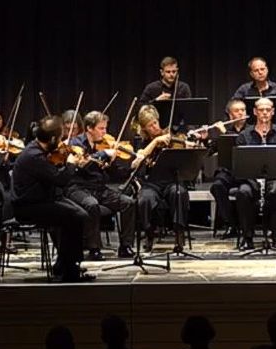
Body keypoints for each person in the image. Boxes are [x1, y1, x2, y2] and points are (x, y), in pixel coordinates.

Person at [9, 115, 93, 282]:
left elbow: (52, 174)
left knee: (80, 214)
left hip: (42, 200)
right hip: (28, 206)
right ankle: (70, 271)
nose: (62, 141)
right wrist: (70, 164)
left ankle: (64, 264)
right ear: (53, 138)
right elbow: (60, 180)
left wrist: (71, 165)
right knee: (75, 217)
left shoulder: (40, 150)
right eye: (61, 137)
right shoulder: (34, 156)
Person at [65, 111, 137, 260]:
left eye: (105, 128)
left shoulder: (102, 145)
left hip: (99, 188)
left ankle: (125, 246)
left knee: (128, 203)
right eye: (101, 128)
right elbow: (83, 163)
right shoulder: (75, 143)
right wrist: (104, 154)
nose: (105, 132)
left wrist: (132, 167)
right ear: (89, 128)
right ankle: (94, 248)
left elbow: (115, 174)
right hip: (78, 188)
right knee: (92, 205)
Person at [130, 105, 193, 252]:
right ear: (144, 129)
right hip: (151, 184)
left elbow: (187, 154)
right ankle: (149, 233)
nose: (155, 127)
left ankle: (179, 233)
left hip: (172, 181)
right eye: (150, 126)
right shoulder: (142, 142)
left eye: (155, 123)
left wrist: (189, 144)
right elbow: (137, 161)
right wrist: (155, 142)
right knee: (145, 199)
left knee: (179, 193)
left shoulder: (170, 136)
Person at [234, 98, 276, 249]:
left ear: (272, 112)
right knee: (243, 192)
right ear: (254, 112)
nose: (264, 113)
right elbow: (240, 166)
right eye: (261, 110)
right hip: (250, 179)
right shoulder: (244, 136)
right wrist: (255, 182)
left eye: (267, 110)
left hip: (274, 177)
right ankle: (248, 238)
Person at [207, 98, 250, 238]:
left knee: (244, 191)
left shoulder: (251, 130)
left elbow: (240, 145)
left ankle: (243, 226)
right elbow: (209, 152)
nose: (241, 113)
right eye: (237, 111)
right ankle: (231, 224)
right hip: (228, 172)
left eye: (243, 110)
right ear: (230, 115)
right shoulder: (223, 131)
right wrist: (204, 138)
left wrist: (225, 133)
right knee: (217, 186)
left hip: (246, 172)